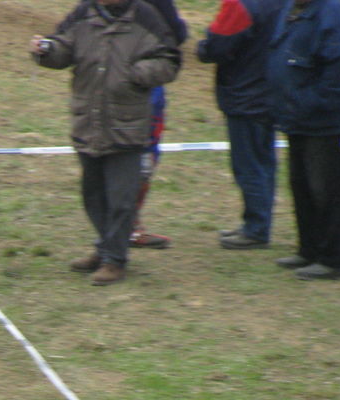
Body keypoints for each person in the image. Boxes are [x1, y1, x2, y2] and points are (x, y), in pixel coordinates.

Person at [30, 0, 182, 286]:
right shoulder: (83, 13)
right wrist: (46, 50)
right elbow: (63, 46)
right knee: (93, 195)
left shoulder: (145, 17)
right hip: (89, 120)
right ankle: (105, 249)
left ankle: (115, 260)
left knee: (121, 199)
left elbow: (170, 60)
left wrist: (136, 74)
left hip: (127, 124)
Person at [268, 0, 340, 280]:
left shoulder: (331, 14)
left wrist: (312, 102)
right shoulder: (293, 9)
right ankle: (308, 250)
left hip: (320, 121)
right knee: (302, 186)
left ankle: (332, 259)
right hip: (296, 117)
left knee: (324, 190)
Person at [197, 0, 283, 251]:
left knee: (248, 165)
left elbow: (216, 47)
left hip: (245, 94)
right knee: (264, 161)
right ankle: (258, 223)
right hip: (272, 90)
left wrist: (204, 45)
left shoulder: (239, 4)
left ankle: (256, 229)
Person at [130, 0, 188, 250]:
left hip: (104, 80)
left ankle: (123, 227)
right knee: (142, 155)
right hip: (144, 83)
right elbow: (177, 33)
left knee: (114, 152)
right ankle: (127, 227)